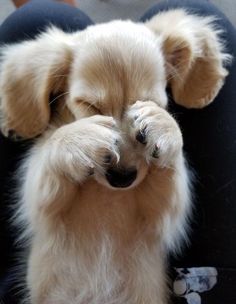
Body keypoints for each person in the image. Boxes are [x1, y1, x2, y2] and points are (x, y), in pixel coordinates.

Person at [0, 1, 236, 303]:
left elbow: (163, 218)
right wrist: (61, 147)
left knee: (33, 18)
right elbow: (43, 205)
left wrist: (169, 141)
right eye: (91, 105)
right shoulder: (58, 137)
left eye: (150, 101)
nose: (124, 161)